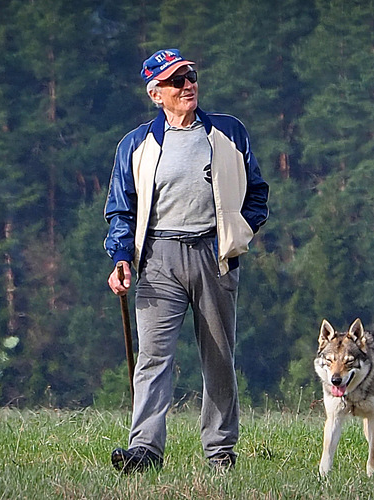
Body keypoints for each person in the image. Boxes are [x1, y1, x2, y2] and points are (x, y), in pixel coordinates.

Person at [104, 48, 269, 474]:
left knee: (218, 355)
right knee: (154, 356)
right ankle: (144, 450)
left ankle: (220, 451)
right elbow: (120, 208)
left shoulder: (229, 132)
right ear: (156, 93)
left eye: (190, 75)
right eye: (176, 81)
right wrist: (122, 256)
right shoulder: (135, 144)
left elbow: (258, 194)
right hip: (157, 257)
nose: (188, 85)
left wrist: (237, 236)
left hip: (214, 255)